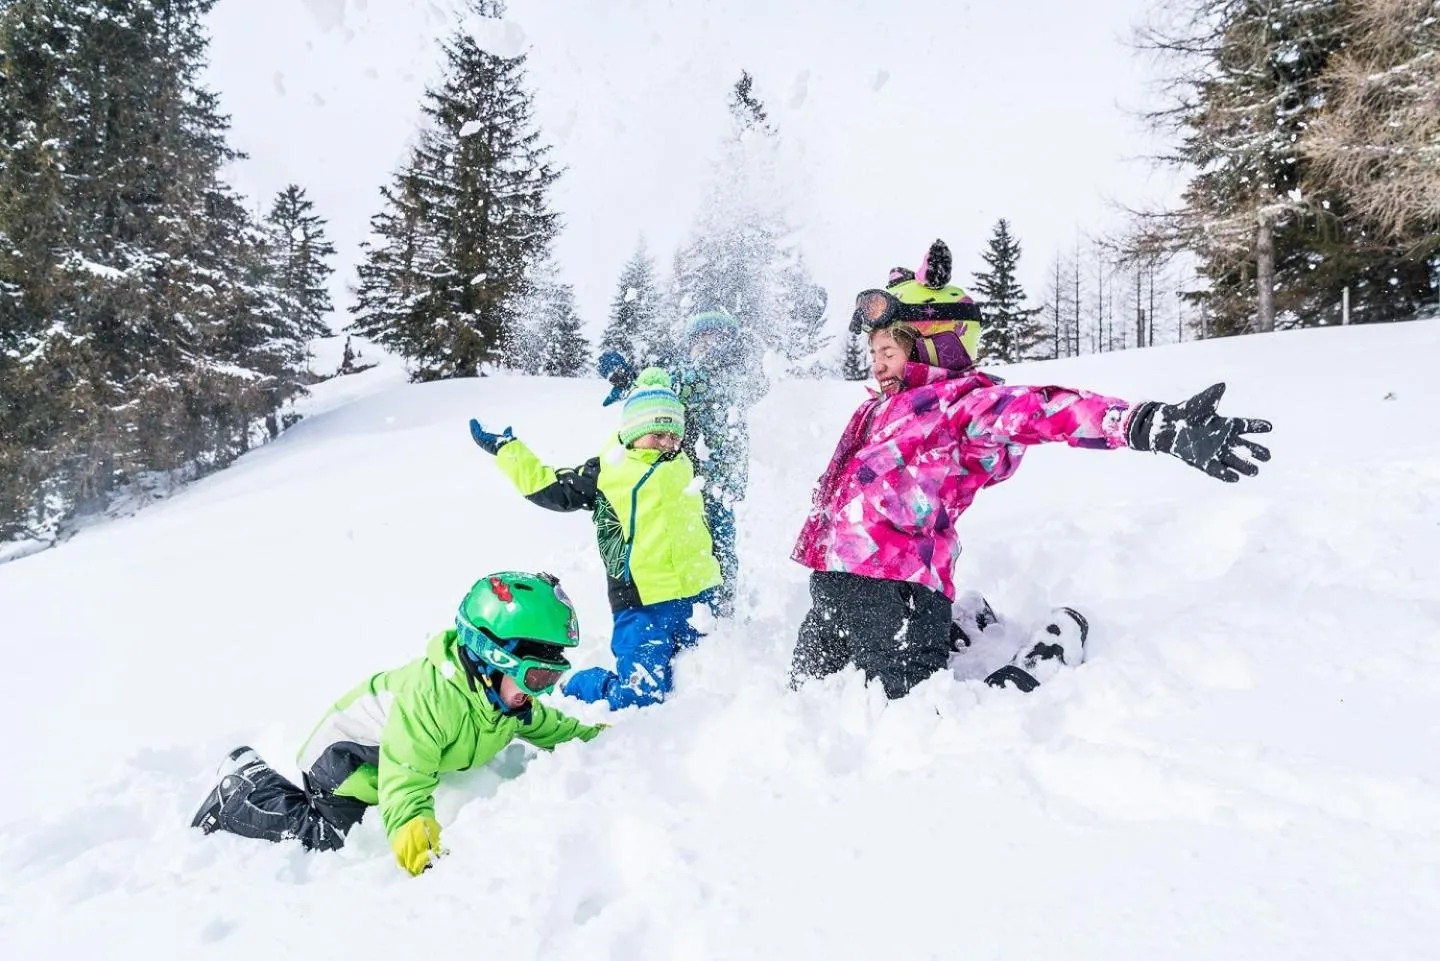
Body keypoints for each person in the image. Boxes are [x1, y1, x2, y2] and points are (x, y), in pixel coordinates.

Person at [789, 242, 1273, 699]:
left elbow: (1046, 410)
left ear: (935, 347)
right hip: (832, 581)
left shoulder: (962, 405)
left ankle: (1040, 661)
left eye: (888, 353)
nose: (877, 365)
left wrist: (1145, 424)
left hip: (896, 592)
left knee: (908, 716)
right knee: (804, 699)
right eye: (874, 353)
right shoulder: (882, 409)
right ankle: (968, 626)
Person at [191, 571, 603, 876]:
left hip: (387, 760)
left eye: (551, 678)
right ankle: (243, 791)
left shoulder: (503, 700)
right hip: (344, 761)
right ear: (491, 659)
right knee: (329, 837)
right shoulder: (431, 702)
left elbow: (549, 726)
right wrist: (422, 854)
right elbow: (404, 782)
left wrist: (601, 741)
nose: (540, 691)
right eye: (536, 677)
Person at [470, 368, 721, 709]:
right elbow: (551, 489)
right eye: (657, 434)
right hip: (642, 605)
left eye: (674, 435)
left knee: (715, 673)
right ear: (634, 432)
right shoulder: (607, 472)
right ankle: (581, 686)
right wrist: (508, 450)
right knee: (640, 697)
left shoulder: (687, 464)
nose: (667, 443)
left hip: (700, 597)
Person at [596, 309, 767, 617]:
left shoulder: (737, 378)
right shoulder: (684, 377)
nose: (707, 348)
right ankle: (686, 605)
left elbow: (761, 379)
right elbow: (658, 392)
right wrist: (627, 379)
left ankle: (721, 606)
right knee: (687, 542)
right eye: (700, 341)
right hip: (683, 482)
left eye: (716, 340)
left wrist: (753, 347)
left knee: (721, 544)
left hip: (720, 485)